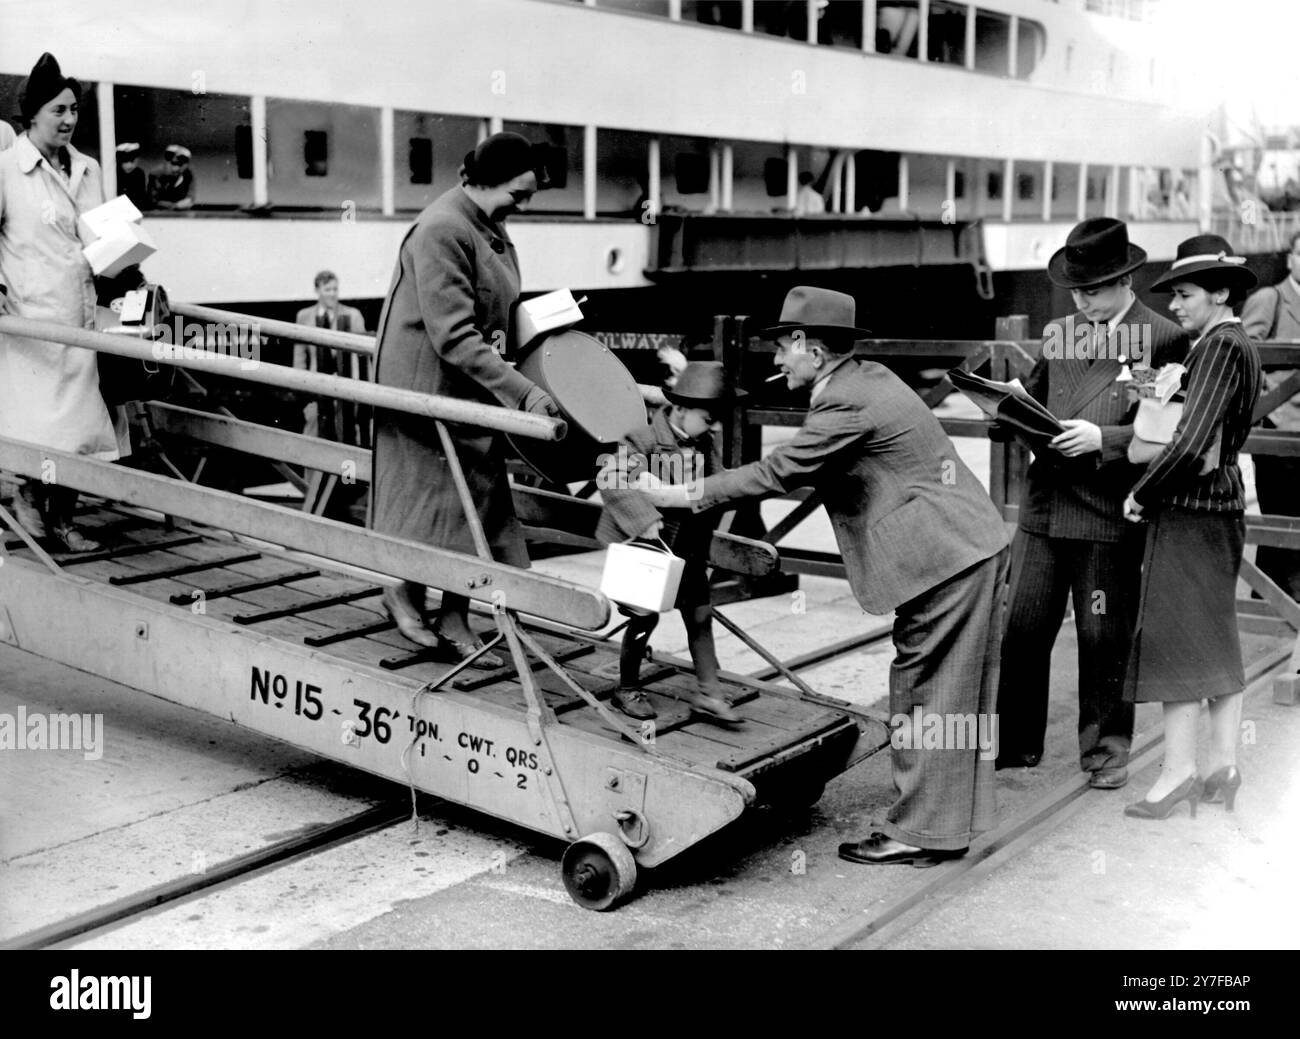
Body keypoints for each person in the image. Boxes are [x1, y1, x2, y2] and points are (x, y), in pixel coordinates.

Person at [637, 286, 1009, 865]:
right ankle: (940, 824)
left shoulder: (845, 402)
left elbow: (782, 469)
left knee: (931, 697)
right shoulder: (865, 379)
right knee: (945, 696)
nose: (778, 359)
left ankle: (920, 832)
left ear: (811, 347)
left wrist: (686, 493)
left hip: (945, 557)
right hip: (957, 548)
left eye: (784, 347)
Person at [993, 218, 1189, 791]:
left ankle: (1105, 752)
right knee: (1022, 627)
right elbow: (1036, 394)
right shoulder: (1062, 332)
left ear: (1127, 280)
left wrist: (1105, 439)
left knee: (1102, 636)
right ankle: (1014, 745)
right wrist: (1005, 412)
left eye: (1095, 291)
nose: (1084, 303)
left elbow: (1176, 430)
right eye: (1077, 292)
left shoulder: (1163, 338)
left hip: (1106, 507)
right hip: (1045, 506)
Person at [369, 132, 558, 664]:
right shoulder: (443, 228)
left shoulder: (487, 224)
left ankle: (454, 613)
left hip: (471, 385)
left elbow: (496, 310)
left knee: (473, 503)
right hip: (426, 388)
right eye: (518, 194)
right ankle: (402, 593)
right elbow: (453, 334)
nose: (523, 206)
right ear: (485, 179)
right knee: (431, 504)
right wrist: (525, 394)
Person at [1121, 235, 1262, 819]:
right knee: (1213, 636)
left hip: (1191, 509)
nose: (1175, 305)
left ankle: (1177, 772)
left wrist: (1141, 491)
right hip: (1221, 509)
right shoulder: (1237, 344)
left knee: (1175, 645)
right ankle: (1222, 766)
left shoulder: (1217, 349)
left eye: (1184, 294)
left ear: (1220, 292)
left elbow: (1190, 441)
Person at [0, 52, 134, 552]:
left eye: (74, 110)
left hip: (81, 318)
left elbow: (110, 240)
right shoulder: (8, 170)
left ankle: (63, 520)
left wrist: (131, 272)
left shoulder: (88, 167)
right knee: (40, 426)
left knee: (79, 430)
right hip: (32, 323)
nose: (70, 120)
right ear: (32, 114)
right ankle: (30, 508)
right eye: (59, 110)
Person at [596, 361, 741, 724]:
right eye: (708, 418)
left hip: (687, 547)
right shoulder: (642, 439)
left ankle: (709, 693)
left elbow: (717, 483)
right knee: (644, 618)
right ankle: (626, 687)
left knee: (700, 614)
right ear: (680, 409)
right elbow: (611, 478)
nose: (714, 427)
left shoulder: (704, 442)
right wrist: (644, 519)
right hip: (646, 547)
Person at [1241, 229, 1300, 599]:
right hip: (1279, 428)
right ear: (1291, 258)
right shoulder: (1271, 298)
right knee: (1283, 515)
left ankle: (1274, 600)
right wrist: (1268, 404)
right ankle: (1276, 601)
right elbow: (1247, 353)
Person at [293, 270, 367, 442]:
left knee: (346, 432)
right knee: (313, 433)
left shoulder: (352, 315)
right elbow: (299, 358)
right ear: (317, 290)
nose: (332, 294)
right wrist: (303, 388)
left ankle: (344, 469)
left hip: (346, 387)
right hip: (315, 387)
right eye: (327, 289)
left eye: (335, 289)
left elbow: (361, 359)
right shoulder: (304, 316)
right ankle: (313, 469)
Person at [149, 144, 195, 210]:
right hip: (159, 213)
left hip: (181, 212)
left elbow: (190, 198)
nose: (176, 168)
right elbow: (154, 201)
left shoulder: (188, 174)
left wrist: (180, 205)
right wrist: (174, 206)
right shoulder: (156, 173)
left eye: (180, 163)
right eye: (173, 163)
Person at [114, 142, 149, 210]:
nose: (129, 165)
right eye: (125, 161)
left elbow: (141, 197)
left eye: (132, 161)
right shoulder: (114, 174)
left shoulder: (139, 173)